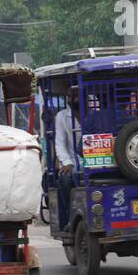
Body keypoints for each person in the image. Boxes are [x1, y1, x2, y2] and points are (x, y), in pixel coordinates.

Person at [54, 86, 82, 233]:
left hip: (97, 159)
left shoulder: (95, 114)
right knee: (64, 180)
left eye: (76, 95)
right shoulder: (61, 116)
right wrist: (67, 163)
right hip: (73, 161)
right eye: (70, 96)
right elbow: (60, 143)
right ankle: (70, 218)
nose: (72, 99)